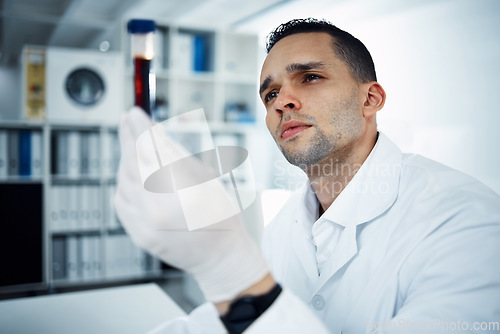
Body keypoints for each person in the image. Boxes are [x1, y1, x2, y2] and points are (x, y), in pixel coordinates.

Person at [114, 18, 500, 334]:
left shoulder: (469, 223)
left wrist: (233, 272)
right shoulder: (286, 225)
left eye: (310, 77)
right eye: (270, 95)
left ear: (371, 99)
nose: (282, 101)